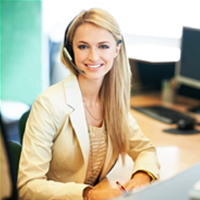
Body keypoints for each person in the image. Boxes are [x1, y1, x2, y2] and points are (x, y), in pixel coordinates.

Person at [17, 8, 160, 200]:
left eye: (103, 46)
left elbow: (144, 149)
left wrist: (141, 178)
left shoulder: (112, 102)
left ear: (116, 50)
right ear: (70, 51)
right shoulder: (49, 104)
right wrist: (89, 195)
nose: (93, 57)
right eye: (83, 46)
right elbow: (28, 186)